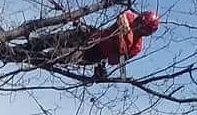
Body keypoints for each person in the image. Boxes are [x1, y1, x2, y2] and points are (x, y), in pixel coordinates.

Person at [19, 9, 160, 80]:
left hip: (94, 53)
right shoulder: (130, 17)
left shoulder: (136, 47)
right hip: (89, 35)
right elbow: (122, 17)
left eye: (140, 25)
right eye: (138, 21)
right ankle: (21, 48)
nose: (136, 23)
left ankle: (21, 56)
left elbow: (116, 62)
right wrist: (126, 31)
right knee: (51, 39)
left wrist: (121, 47)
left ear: (145, 32)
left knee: (56, 56)